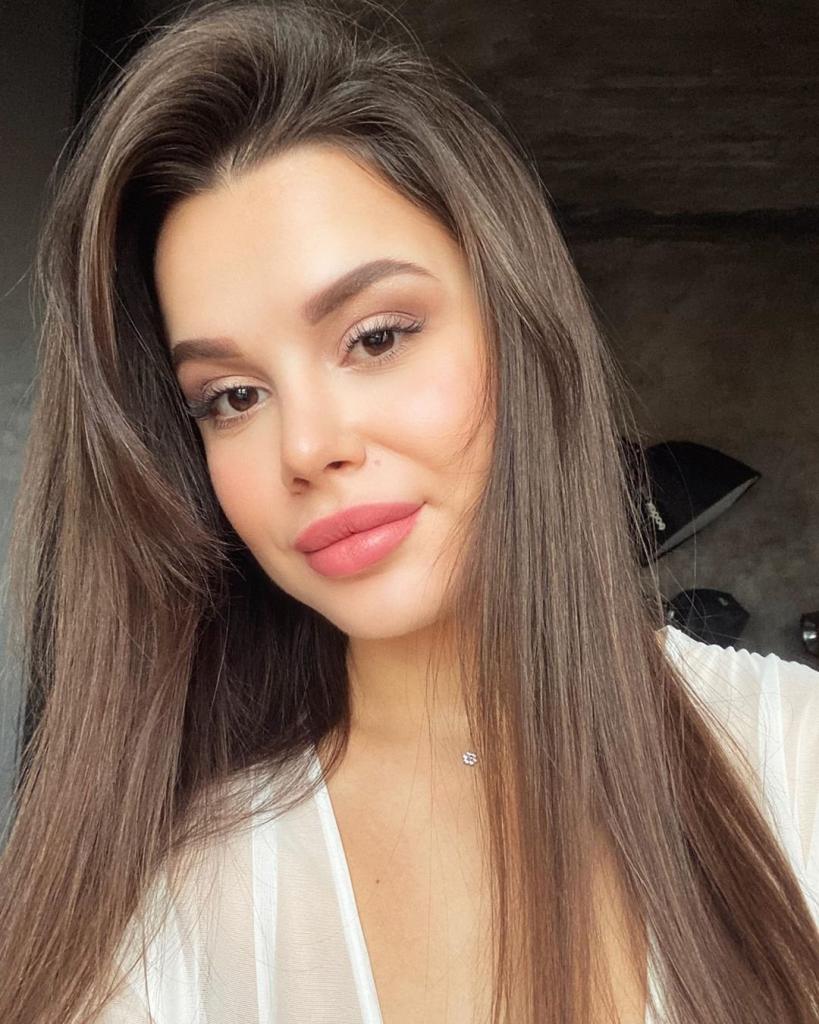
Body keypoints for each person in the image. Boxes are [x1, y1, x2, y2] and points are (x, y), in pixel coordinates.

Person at [0, 1, 816, 1022]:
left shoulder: (794, 760)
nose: (307, 446)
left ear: (520, 331)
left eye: (377, 336)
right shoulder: (157, 908)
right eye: (232, 396)